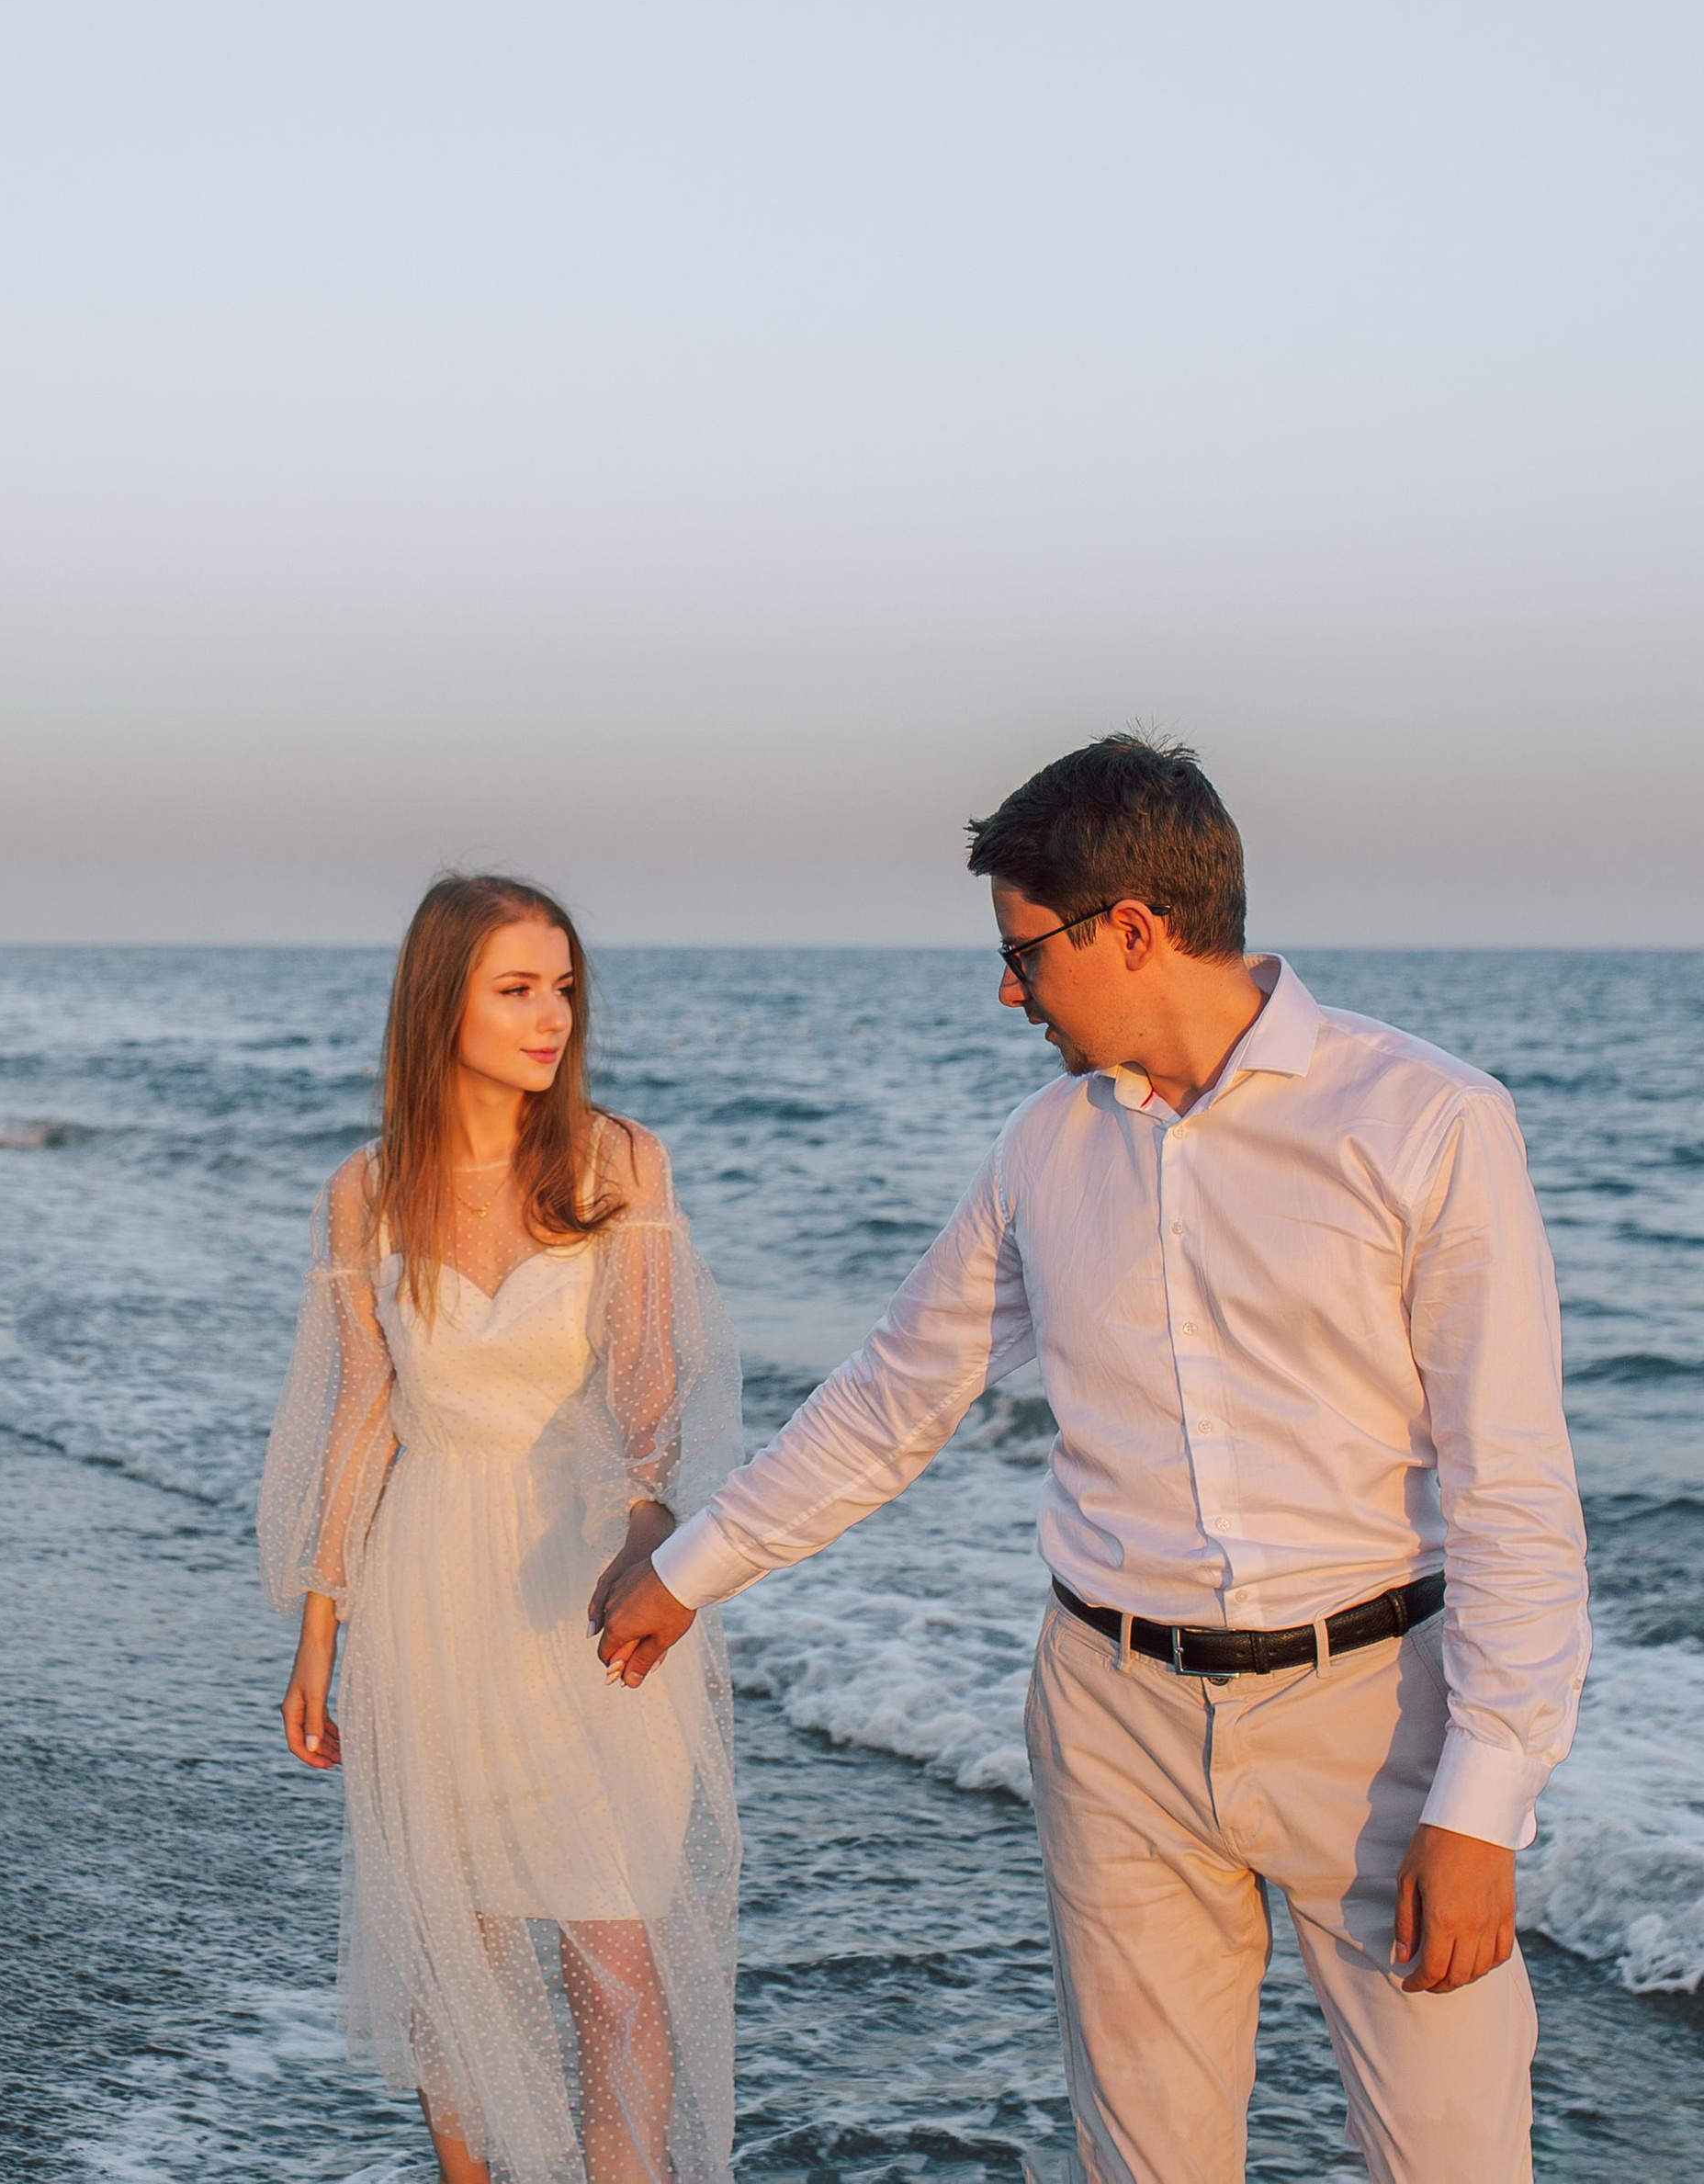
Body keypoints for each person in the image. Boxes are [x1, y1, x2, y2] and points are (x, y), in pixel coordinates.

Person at [597, 736, 1588, 2184]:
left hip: (1377, 1718)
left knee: (1453, 2160)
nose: (1009, 991)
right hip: (1110, 1714)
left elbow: (1514, 1486)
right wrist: (688, 1571)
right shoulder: (1042, 1149)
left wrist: (1485, 1807)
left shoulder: (1430, 1122)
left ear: (1133, 929)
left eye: (1024, 951)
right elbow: (893, 1398)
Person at [260, 872, 743, 2184]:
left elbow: (658, 1392)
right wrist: (319, 1630)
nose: (553, 1017)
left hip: (584, 1582)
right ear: (443, 1000)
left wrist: (653, 1545)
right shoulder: (366, 1194)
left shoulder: (618, 1163)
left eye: (566, 988)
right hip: (430, 1594)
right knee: (460, 1966)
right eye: (518, 987)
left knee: (616, 1957)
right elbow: (362, 1417)